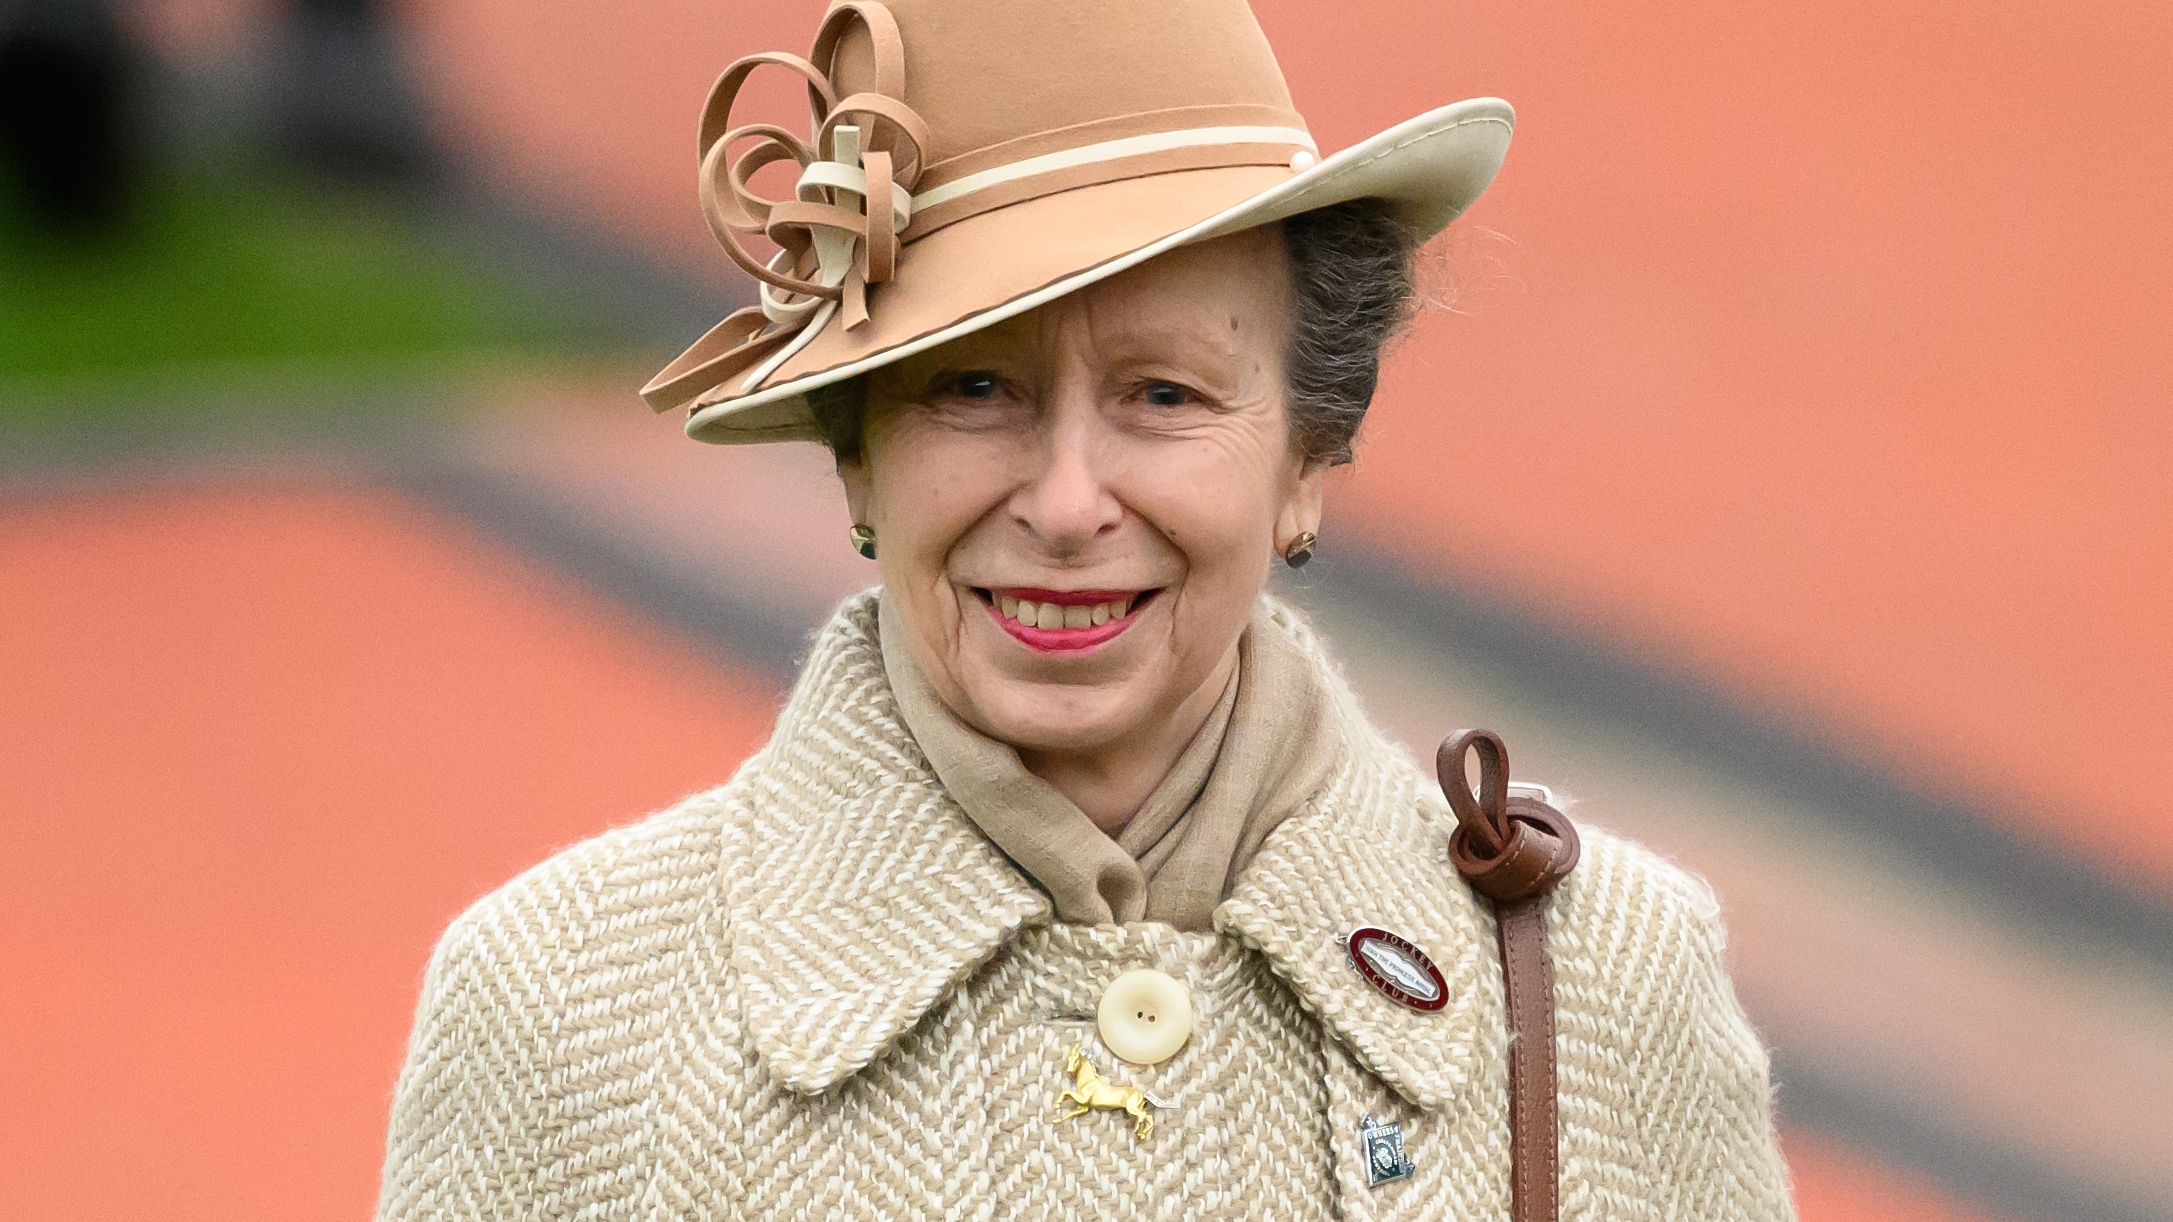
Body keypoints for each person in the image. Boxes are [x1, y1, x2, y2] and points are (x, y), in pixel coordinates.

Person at [377, 1, 1794, 1218]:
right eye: (972, 386)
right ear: (857, 450)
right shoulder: (557, 1004)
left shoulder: (1607, 979)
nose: (1064, 502)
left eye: (1161, 394)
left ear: (1307, 455)